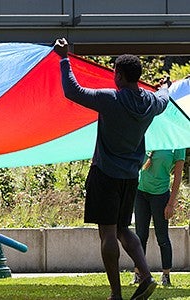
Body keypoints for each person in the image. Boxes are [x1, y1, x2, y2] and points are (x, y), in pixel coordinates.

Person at [53, 38, 170, 300]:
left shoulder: (111, 99)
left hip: (105, 174)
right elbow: (163, 98)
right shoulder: (150, 102)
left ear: (118, 75)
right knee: (122, 229)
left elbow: (73, 91)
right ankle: (147, 275)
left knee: (107, 233)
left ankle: (116, 294)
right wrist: (165, 87)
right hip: (130, 177)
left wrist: (63, 58)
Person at [132, 148, 185, 286]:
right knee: (140, 236)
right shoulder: (148, 135)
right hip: (141, 193)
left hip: (161, 195)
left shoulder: (178, 144)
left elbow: (178, 176)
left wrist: (171, 204)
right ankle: (138, 274)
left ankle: (166, 275)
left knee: (162, 237)